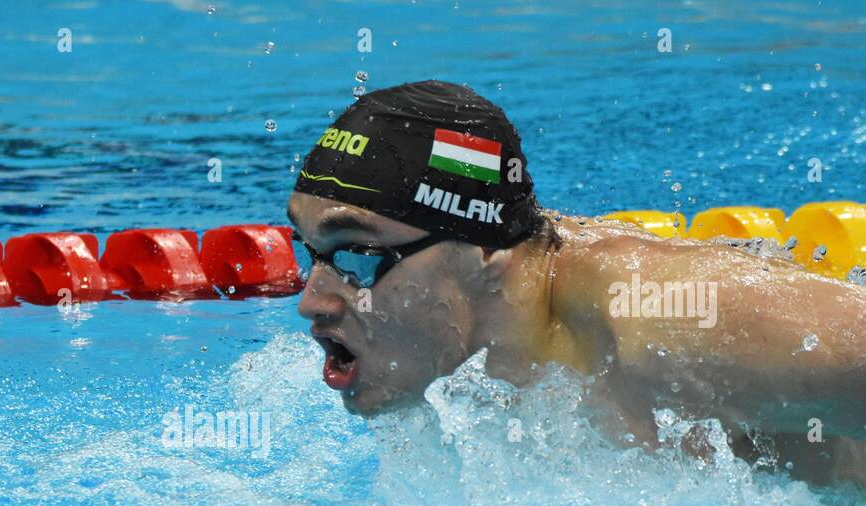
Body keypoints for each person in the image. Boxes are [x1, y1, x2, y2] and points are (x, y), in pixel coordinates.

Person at [287, 80, 866, 484]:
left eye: (356, 256)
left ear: (484, 250)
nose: (311, 302)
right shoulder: (459, 346)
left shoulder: (667, 323)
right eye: (308, 252)